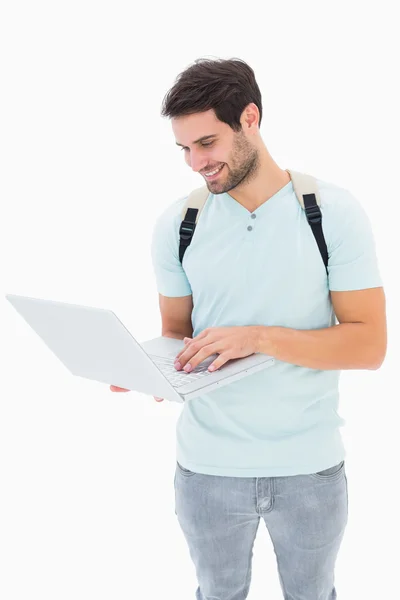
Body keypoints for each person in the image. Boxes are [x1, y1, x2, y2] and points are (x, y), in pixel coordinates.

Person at [113, 57, 387, 599]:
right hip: (207, 471)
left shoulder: (330, 214)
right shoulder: (179, 225)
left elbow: (369, 344)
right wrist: (152, 371)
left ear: (250, 119)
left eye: (207, 143)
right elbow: (177, 335)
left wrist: (257, 337)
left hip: (309, 469)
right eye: (184, 149)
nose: (195, 162)